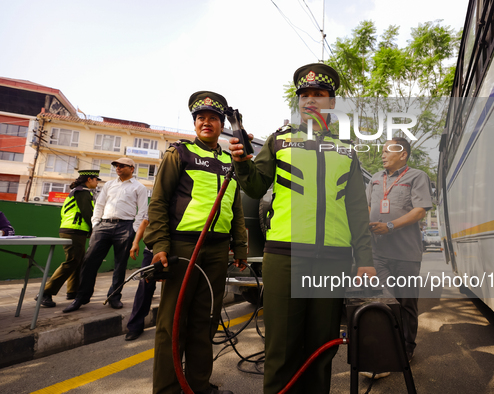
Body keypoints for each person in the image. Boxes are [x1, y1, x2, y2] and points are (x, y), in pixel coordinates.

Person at [229, 63, 375, 394]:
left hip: (334, 260)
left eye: (318, 95)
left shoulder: (347, 149)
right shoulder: (279, 140)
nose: (310, 101)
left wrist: (364, 258)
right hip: (285, 258)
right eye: (304, 95)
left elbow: (356, 209)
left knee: (322, 349)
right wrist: (241, 162)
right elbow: (253, 187)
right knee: (281, 349)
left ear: (331, 103)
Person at [144, 91, 247, 394]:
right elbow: (159, 202)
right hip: (183, 248)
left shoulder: (230, 161)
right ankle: (168, 389)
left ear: (220, 125)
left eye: (212, 118)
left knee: (206, 321)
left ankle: (199, 386)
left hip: (217, 250)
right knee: (173, 323)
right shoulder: (180, 153)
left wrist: (240, 247)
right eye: (200, 118)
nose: (206, 122)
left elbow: (235, 208)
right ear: (195, 123)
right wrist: (160, 245)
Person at [366, 137, 433, 364]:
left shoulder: (417, 176)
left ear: (403, 154)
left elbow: (420, 211)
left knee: (406, 303)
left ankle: (406, 347)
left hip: (405, 254)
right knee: (383, 301)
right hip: (378, 254)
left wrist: (390, 226)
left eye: (388, 151)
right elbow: (368, 206)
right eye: (382, 151)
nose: (383, 155)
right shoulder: (375, 179)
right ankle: (386, 345)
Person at [63, 157, 148, 313]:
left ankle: (114, 297)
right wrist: (96, 225)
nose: (118, 168)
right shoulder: (109, 185)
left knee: (120, 264)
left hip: (125, 226)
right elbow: (99, 205)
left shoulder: (139, 188)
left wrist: (134, 230)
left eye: (122, 166)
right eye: (116, 165)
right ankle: (81, 298)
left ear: (132, 169)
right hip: (103, 225)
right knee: (89, 262)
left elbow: (143, 211)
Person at [36, 169, 100, 307]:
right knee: (72, 261)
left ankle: (73, 291)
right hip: (74, 230)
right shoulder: (82, 192)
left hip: (75, 230)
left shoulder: (78, 191)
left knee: (78, 261)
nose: (97, 182)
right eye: (96, 179)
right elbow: (87, 213)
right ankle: (45, 293)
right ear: (89, 179)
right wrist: (94, 229)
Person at [124, 216, 154, 341]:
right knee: (145, 286)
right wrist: (135, 242)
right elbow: (145, 222)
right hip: (152, 250)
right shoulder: (158, 200)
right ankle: (135, 326)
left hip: (176, 251)